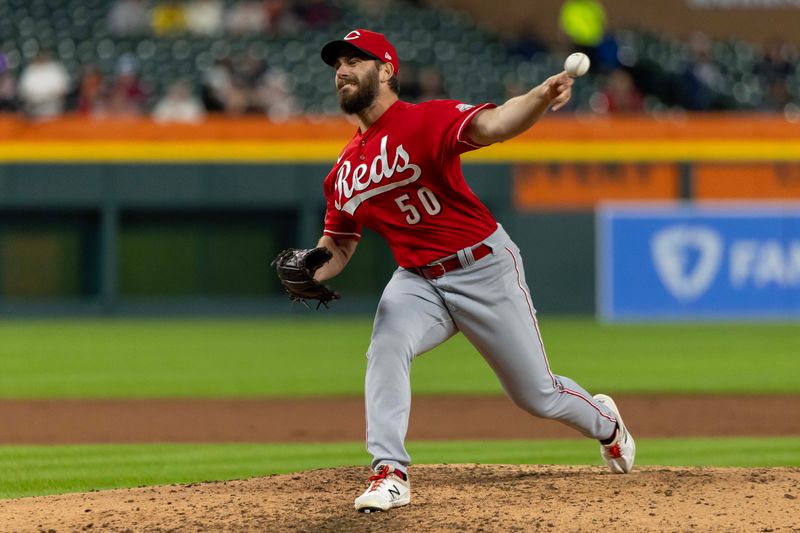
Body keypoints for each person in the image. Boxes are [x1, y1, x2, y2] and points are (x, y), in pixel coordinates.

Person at [310, 29, 636, 513]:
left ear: (386, 70)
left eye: (355, 60)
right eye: (337, 62)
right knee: (386, 344)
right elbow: (337, 243)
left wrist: (540, 97)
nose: (342, 70)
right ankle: (389, 472)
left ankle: (606, 423)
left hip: (482, 267)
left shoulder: (426, 119)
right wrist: (309, 270)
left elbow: (497, 123)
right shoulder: (344, 170)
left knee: (537, 395)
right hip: (417, 279)